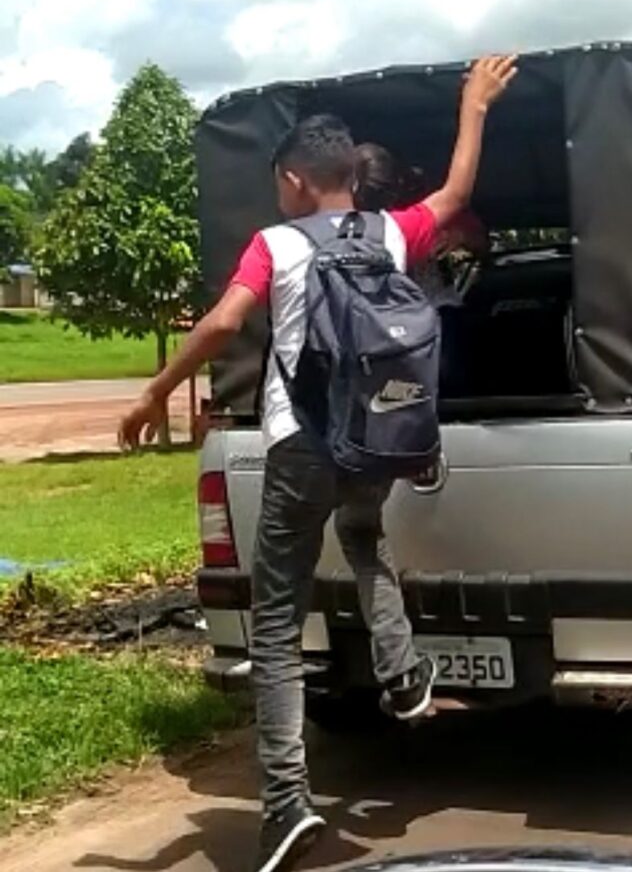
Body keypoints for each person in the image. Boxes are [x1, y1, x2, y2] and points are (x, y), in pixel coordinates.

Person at [116, 54, 517, 872]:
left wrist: (157, 391)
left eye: (278, 181)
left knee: (273, 625)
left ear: (297, 179)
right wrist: (472, 106)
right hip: (377, 441)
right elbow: (455, 197)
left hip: (301, 444)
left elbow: (226, 324)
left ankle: (286, 805)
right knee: (364, 537)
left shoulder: (275, 244)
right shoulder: (392, 232)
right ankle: (403, 671)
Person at [354, 141, 490, 309]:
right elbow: (457, 195)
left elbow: (483, 243)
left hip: (441, 304)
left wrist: (459, 237)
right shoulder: (385, 225)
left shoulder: (437, 210)